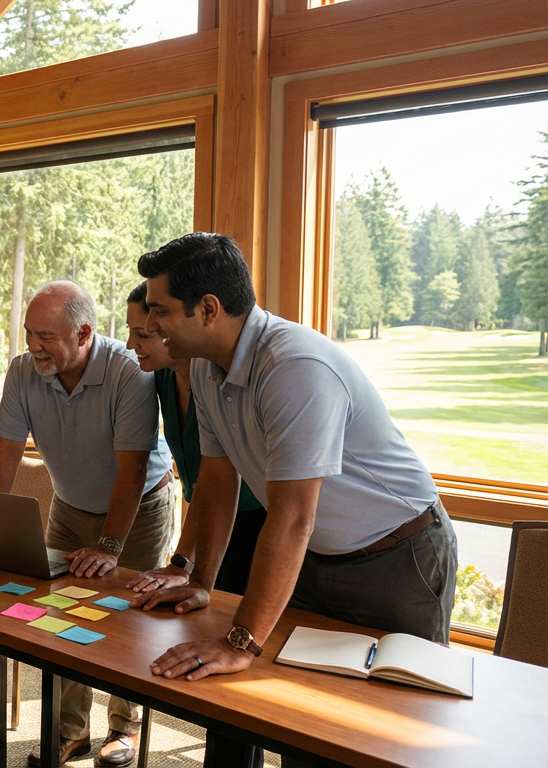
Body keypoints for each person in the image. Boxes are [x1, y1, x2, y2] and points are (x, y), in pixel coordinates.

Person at [131, 233, 457, 768]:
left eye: (161, 311)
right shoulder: (210, 367)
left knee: (384, 731)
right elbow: (217, 482)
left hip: (398, 558)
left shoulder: (293, 366)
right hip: (317, 557)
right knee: (294, 715)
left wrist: (240, 640)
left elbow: (292, 517)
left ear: (208, 309)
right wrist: (198, 580)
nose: (151, 325)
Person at [0, 281, 175, 768]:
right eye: (29, 333)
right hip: (70, 508)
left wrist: (110, 544)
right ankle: (71, 732)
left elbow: (131, 469)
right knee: (63, 618)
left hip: (139, 511)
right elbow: (5, 450)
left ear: (85, 332)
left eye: (45, 335)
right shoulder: (25, 371)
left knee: (130, 620)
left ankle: (124, 728)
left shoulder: (129, 373)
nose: (33, 346)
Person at [122, 278, 270, 768]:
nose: (134, 342)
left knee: (240, 665)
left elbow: (222, 485)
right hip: (216, 523)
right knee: (214, 667)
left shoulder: (218, 372)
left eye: (145, 331)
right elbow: (200, 483)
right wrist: (183, 562)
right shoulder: (166, 380)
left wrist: (194, 563)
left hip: (256, 528)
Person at [123, 280, 268, 597]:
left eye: (144, 334)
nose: (131, 343)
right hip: (208, 520)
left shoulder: (216, 380)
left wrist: (181, 561)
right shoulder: (160, 375)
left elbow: (212, 479)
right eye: (131, 331)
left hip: (253, 520)